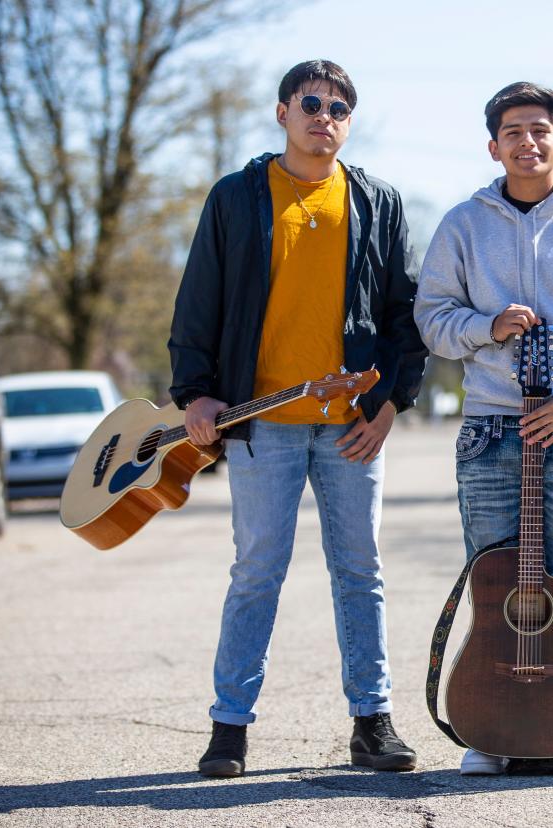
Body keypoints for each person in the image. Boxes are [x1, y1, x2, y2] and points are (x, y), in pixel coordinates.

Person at [169, 59, 427, 777]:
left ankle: (372, 723)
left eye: (339, 107)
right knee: (257, 571)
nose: (325, 116)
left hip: (350, 425)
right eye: (311, 103)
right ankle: (229, 729)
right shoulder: (236, 198)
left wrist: (388, 406)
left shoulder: (378, 201)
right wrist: (195, 392)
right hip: (263, 421)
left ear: (350, 121)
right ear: (282, 112)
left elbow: (404, 316)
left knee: (361, 571)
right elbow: (199, 304)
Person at [415, 82, 553, 776]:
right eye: (513, 131)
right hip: (488, 428)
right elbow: (431, 321)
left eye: (540, 129)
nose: (528, 142)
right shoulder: (461, 225)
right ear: (494, 145)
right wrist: (486, 327)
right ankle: (490, 730)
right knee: (494, 581)